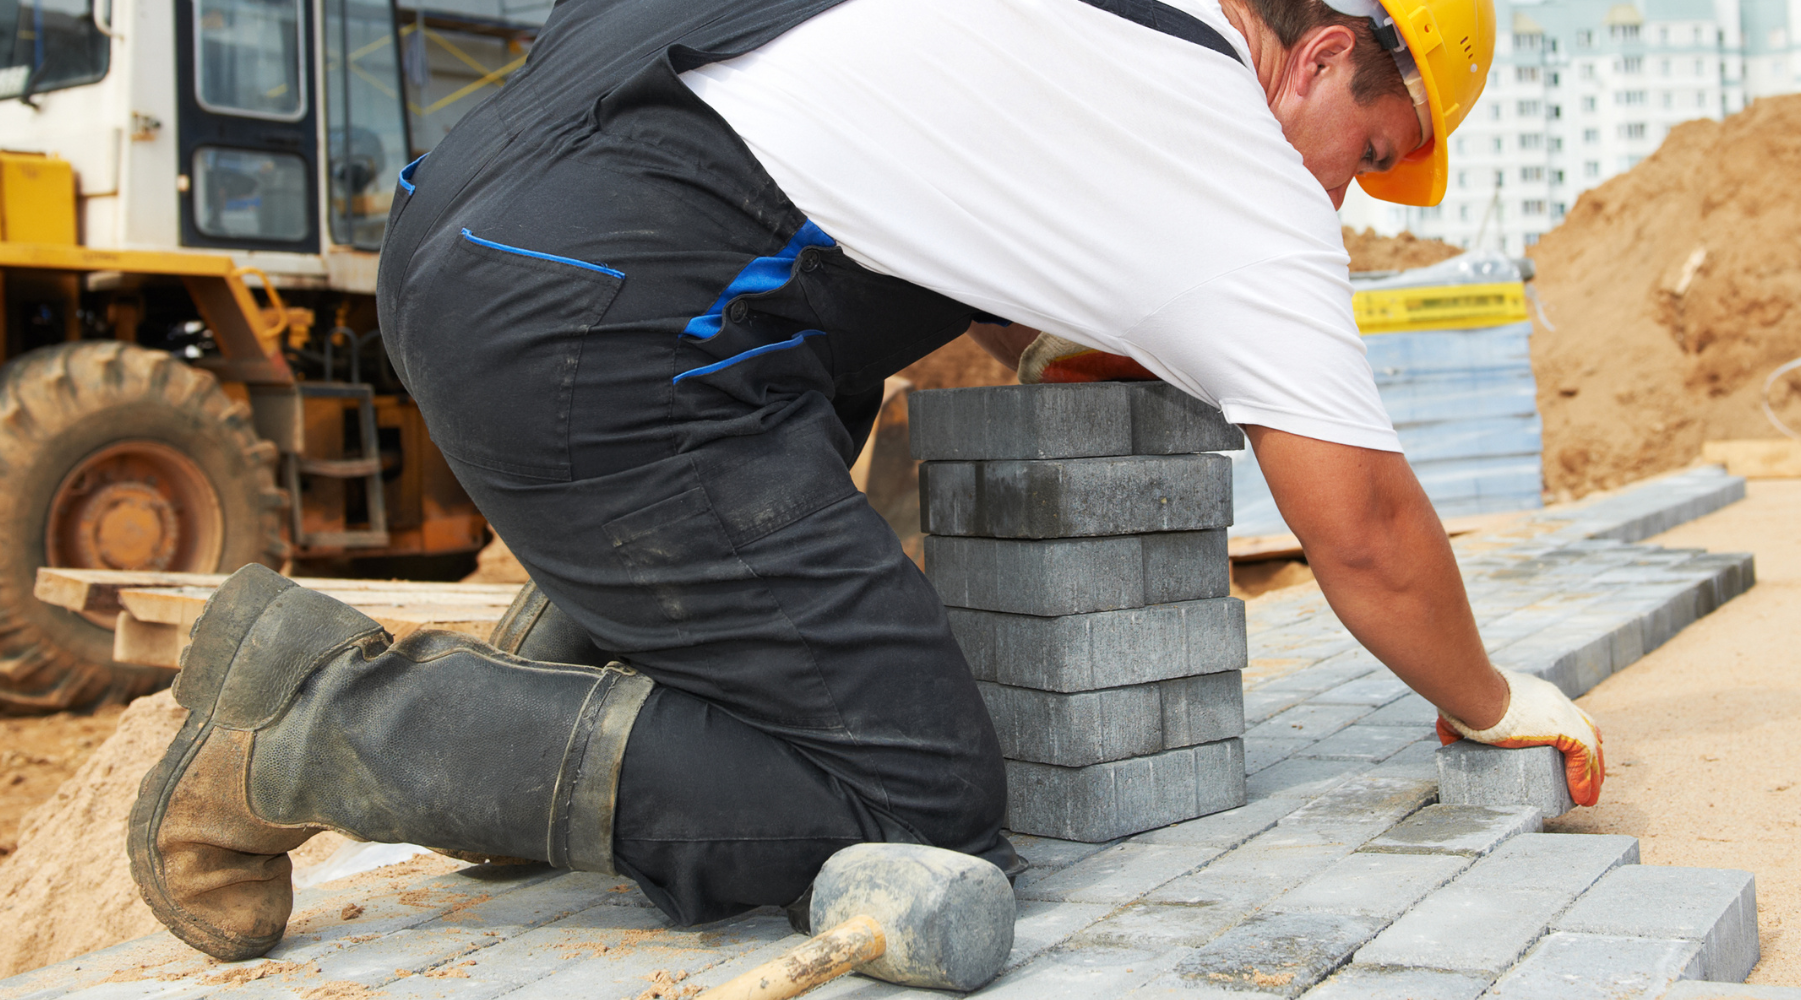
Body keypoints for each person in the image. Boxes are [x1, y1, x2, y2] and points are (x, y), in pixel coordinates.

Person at [126, 0, 1606, 966]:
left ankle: (576, 658)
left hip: (490, 215)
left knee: (833, 349)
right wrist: (1492, 701)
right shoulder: (1230, 154)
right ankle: (316, 724)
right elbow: (1367, 531)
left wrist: (1054, 349)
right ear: (1332, 46)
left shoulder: (1096, 30)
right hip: (590, 330)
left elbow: (916, 178)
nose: (1343, 189)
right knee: (919, 796)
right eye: (1373, 147)